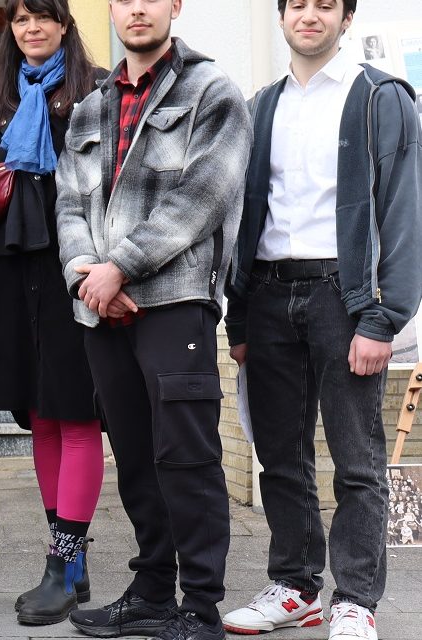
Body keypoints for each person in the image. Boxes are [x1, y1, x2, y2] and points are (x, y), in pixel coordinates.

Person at [222, 1, 422, 638]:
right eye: (298, 4)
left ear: (347, 16)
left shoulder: (380, 99)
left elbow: (403, 214)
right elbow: (245, 215)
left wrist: (382, 319)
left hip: (346, 295)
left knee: (356, 461)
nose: (310, 15)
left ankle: (356, 598)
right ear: (282, 17)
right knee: (280, 455)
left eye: (325, 4)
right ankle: (294, 584)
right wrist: (242, 316)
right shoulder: (263, 105)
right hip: (272, 292)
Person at [55, 1, 251, 639]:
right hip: (102, 309)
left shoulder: (211, 90)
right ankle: (150, 591)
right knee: (135, 454)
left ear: (175, 6)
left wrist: (122, 267)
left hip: (175, 301)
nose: (136, 8)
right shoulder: (90, 106)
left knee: (185, 455)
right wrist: (89, 275)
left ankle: (199, 605)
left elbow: (204, 194)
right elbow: (69, 202)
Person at [0, 0, 103, 625]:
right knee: (39, 416)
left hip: (73, 268)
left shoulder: (93, 91)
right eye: (21, 18)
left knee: (76, 413)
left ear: (63, 25)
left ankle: (62, 566)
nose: (31, 28)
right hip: (15, 266)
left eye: (43, 16)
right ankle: (70, 562)